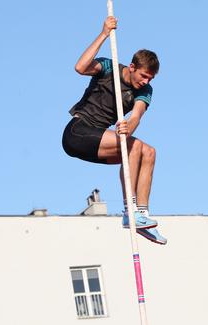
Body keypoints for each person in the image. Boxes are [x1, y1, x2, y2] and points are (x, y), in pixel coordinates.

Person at [62, 15, 166, 245]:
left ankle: (142, 215)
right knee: (135, 146)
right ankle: (129, 211)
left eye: (150, 78)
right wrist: (104, 34)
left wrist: (128, 126)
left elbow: (136, 115)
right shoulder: (109, 67)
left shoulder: (145, 91)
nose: (146, 81)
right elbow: (80, 67)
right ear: (132, 67)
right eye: (143, 75)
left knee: (149, 152)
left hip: (100, 141)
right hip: (78, 132)